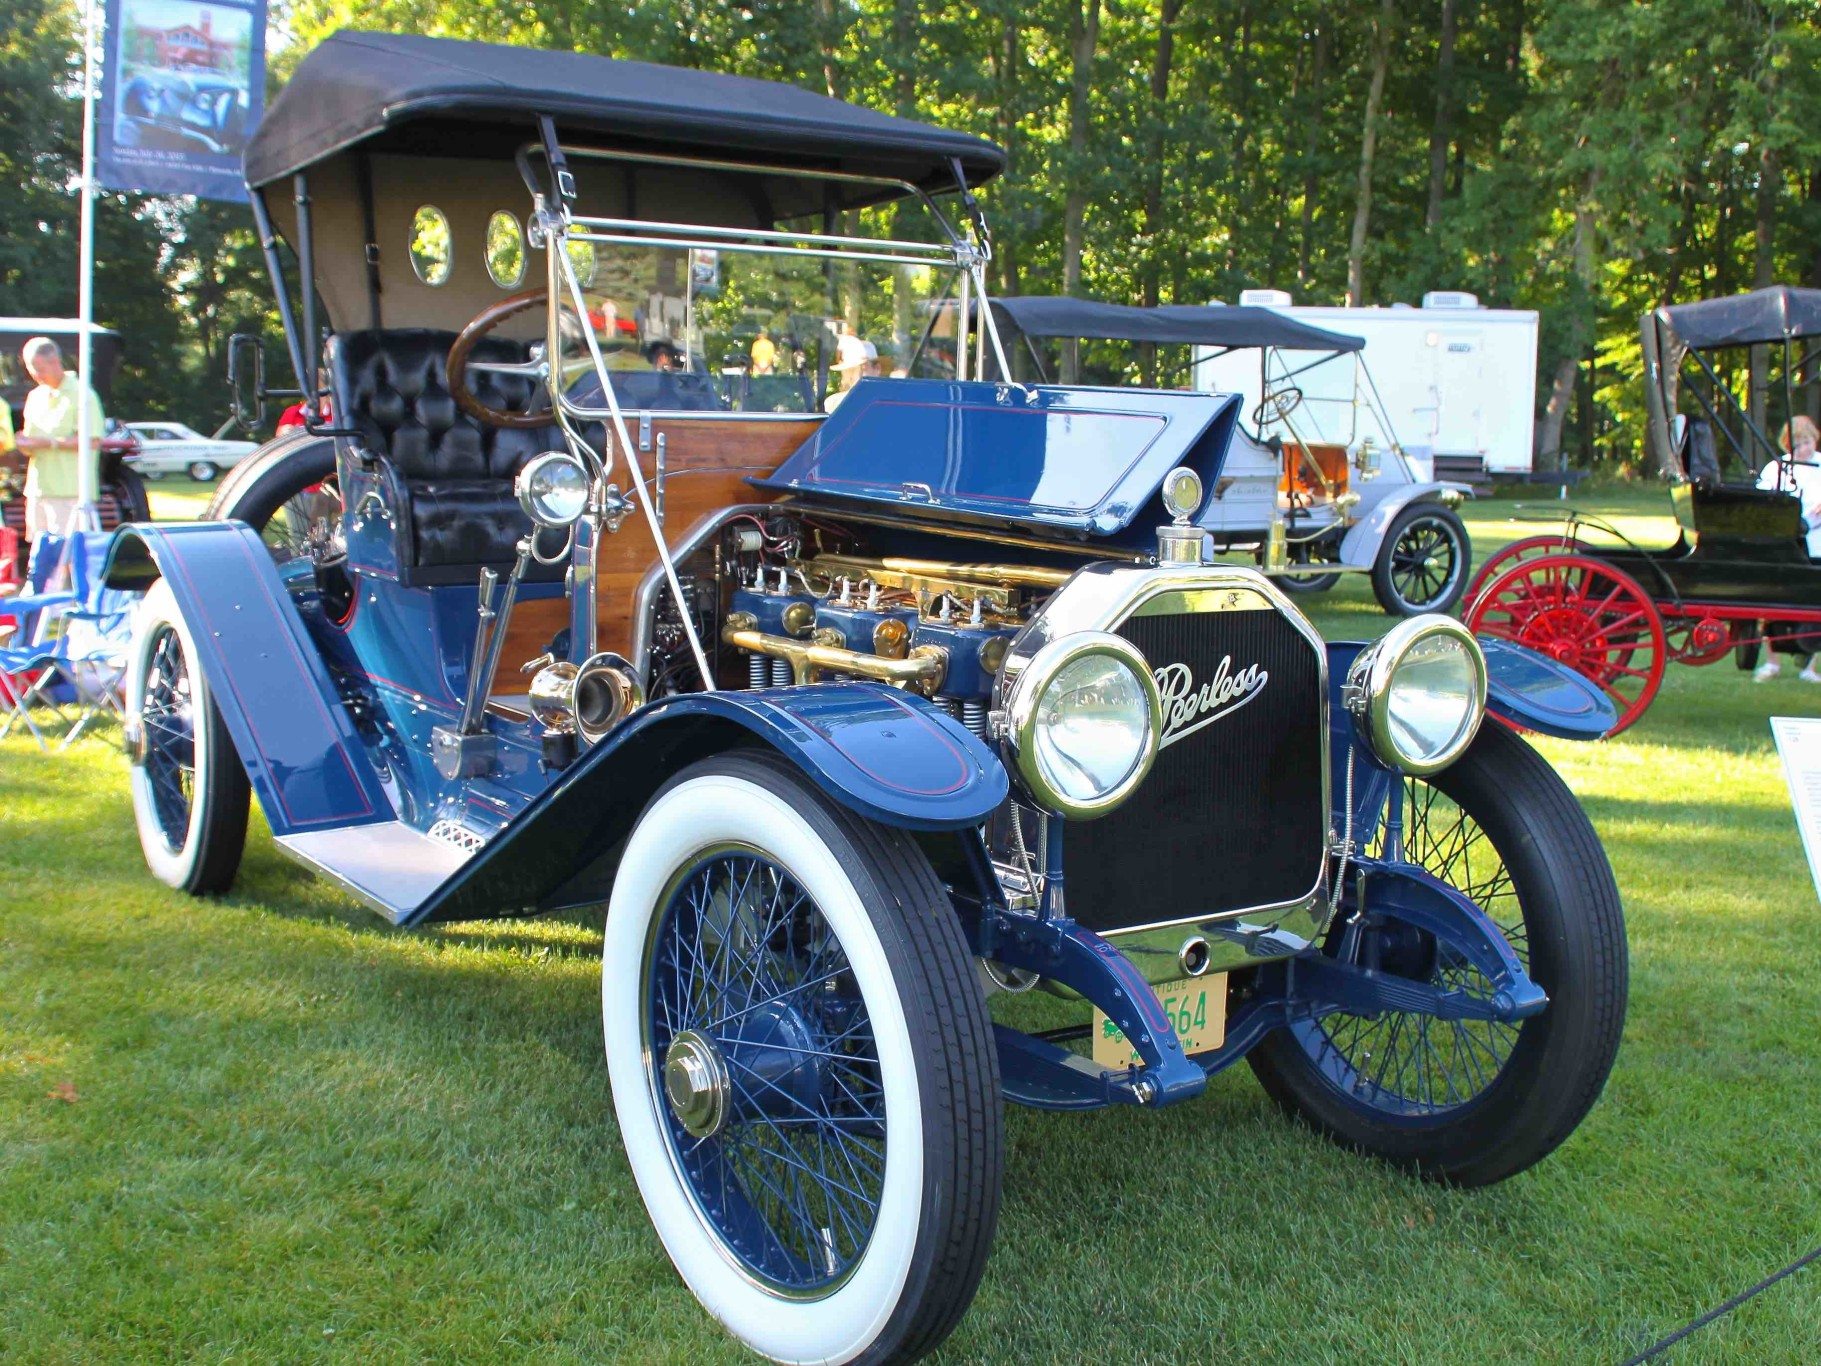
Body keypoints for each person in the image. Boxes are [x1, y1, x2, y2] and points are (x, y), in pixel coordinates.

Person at [13, 337, 103, 546]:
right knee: (41, 554)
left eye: (38, 367)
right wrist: (23, 443)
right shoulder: (35, 396)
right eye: (30, 368)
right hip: (38, 488)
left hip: (70, 491)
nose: (34, 374)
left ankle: (68, 581)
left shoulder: (82, 395)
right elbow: (32, 441)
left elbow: (93, 442)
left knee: (69, 552)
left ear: (55, 361)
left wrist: (51, 443)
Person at [1753, 414, 1821, 682]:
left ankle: (1810, 666)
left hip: (1817, 543)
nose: (1804, 448)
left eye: (1808, 441)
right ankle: (1772, 662)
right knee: (1774, 603)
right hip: (1785, 546)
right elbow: (1762, 501)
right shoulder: (1776, 469)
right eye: (1798, 443)